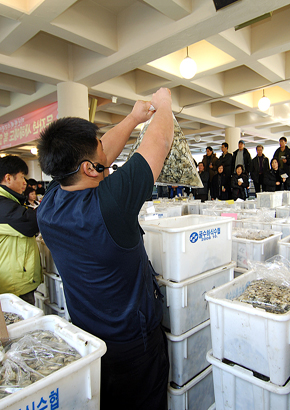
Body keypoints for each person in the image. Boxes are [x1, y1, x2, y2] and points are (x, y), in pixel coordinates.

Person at [36, 88, 173, 410]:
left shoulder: (48, 206)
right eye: (99, 151)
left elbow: (100, 158)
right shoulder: (110, 204)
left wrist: (134, 118)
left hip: (89, 337)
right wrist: (164, 103)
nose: (106, 157)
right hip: (133, 342)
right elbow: (159, 142)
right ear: (88, 168)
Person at [0, 155, 41, 304]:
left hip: (12, 282)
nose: (24, 182)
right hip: (11, 286)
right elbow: (31, 223)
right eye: (22, 177)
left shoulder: (1, 201)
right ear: (8, 178)